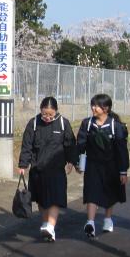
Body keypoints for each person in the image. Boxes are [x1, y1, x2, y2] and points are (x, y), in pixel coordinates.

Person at [17, 97, 77, 242]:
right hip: (38, 169)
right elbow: (27, 145)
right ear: (40, 110)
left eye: (50, 114)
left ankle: (50, 226)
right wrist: (23, 165)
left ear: (56, 111)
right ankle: (46, 225)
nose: (47, 117)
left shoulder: (63, 123)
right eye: (45, 114)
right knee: (42, 200)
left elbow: (70, 144)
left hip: (56, 169)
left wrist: (71, 161)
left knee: (55, 199)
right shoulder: (34, 123)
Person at [76, 93, 129, 238]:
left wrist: (123, 171)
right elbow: (80, 144)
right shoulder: (87, 124)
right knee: (91, 193)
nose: (93, 108)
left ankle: (107, 219)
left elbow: (121, 150)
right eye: (92, 105)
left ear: (106, 108)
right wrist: (77, 162)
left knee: (109, 194)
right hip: (93, 165)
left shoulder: (115, 126)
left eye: (96, 106)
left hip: (111, 166)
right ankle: (90, 223)